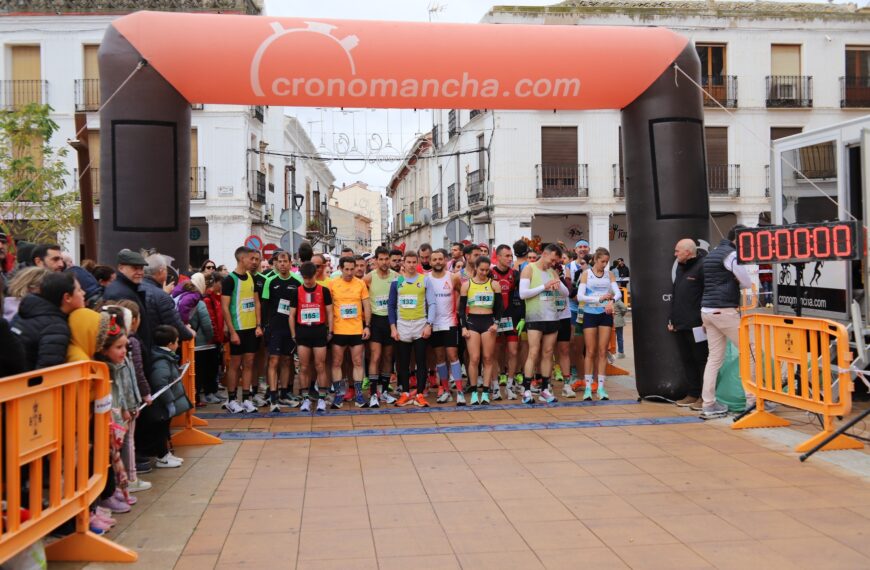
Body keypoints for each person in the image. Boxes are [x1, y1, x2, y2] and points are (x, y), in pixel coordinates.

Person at [699, 226, 754, 419]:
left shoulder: (713, 254)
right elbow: (747, 282)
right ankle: (752, 400)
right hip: (724, 310)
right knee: (749, 351)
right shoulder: (732, 255)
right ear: (739, 239)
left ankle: (709, 403)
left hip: (707, 310)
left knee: (714, 358)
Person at [519, 243, 565, 404]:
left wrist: (558, 284)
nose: (553, 263)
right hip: (535, 316)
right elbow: (523, 294)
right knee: (533, 352)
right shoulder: (529, 268)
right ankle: (526, 389)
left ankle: (545, 388)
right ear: (546, 254)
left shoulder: (552, 271)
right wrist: (544, 286)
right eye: (552, 260)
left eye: (556, 261)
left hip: (552, 316)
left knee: (548, 352)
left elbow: (565, 292)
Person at [221, 246, 264, 413]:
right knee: (235, 364)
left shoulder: (251, 278)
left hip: (251, 328)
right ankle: (232, 399)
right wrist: (232, 331)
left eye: (256, 259)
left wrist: (258, 325)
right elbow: (225, 308)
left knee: (249, 363)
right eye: (251, 259)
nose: (254, 262)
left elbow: (256, 302)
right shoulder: (229, 280)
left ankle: (246, 398)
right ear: (242, 259)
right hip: (237, 329)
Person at [12, 272, 84, 370]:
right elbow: (48, 374)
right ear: (67, 297)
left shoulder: (26, 312)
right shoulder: (56, 327)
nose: (84, 293)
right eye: (79, 290)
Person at [142, 325, 190, 468]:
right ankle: (162, 456)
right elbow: (160, 382)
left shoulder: (162, 356)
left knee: (164, 429)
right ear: (170, 344)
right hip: (161, 404)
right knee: (161, 430)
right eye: (177, 341)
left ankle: (166, 454)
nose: (178, 344)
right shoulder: (162, 360)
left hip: (162, 403)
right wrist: (169, 401)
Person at [289, 261, 334, 414]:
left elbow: (329, 313)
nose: (307, 281)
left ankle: (321, 398)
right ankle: (305, 399)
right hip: (303, 332)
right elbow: (292, 315)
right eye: (304, 278)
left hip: (319, 331)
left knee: (320, 366)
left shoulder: (324, 291)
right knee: (304, 367)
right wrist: (293, 334)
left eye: (309, 277)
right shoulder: (296, 291)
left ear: (315, 275)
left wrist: (331, 332)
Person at [578, 247, 622, 401]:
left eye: (606, 262)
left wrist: (611, 301)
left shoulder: (609, 274)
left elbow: (618, 293)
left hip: (605, 314)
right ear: (595, 260)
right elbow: (580, 296)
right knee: (590, 351)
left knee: (603, 351)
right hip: (590, 313)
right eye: (602, 261)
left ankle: (601, 388)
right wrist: (599, 299)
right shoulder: (586, 274)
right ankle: (588, 388)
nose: (604, 264)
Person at [261, 251, 302, 411]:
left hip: (290, 328)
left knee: (287, 361)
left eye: (286, 261)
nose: (283, 264)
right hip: (274, 328)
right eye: (280, 261)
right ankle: (273, 396)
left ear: (291, 263)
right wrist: (263, 326)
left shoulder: (297, 282)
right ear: (276, 264)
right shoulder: (269, 281)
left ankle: (284, 393)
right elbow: (264, 306)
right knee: (273, 361)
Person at [669, 238, 708, 409]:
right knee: (687, 360)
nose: (675, 254)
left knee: (702, 360)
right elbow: (676, 294)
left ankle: (703, 396)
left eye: (678, 251)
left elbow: (707, 294)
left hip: (697, 325)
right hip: (680, 324)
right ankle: (692, 393)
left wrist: (704, 320)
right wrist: (672, 319)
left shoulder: (702, 266)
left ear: (688, 251)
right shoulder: (679, 268)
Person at [389, 250, 431, 407]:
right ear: (403, 263)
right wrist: (393, 328)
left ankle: (420, 394)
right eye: (409, 262)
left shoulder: (425, 280)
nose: (412, 265)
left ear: (418, 263)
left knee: (421, 361)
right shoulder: (397, 281)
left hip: (420, 323)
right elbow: (391, 306)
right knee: (403, 363)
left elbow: (431, 303)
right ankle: (405, 393)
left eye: (414, 262)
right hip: (403, 325)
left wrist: (429, 324)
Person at [329, 256, 371, 409]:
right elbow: (329, 308)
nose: (349, 272)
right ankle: (339, 395)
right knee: (337, 363)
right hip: (339, 330)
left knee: (358, 362)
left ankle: (359, 395)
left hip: (356, 330)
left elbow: (366, 306)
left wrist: (367, 326)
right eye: (346, 269)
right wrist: (330, 329)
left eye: (351, 269)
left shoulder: (360, 284)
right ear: (340, 269)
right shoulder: (332, 284)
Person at [459, 256, 502, 405]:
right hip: (472, 322)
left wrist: (496, 323)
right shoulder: (467, 285)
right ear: (475, 268)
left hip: (488, 322)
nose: (484, 272)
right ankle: (474, 391)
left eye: (486, 269)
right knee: (474, 358)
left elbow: (499, 308)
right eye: (481, 269)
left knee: (488, 358)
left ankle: (485, 391)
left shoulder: (494, 284)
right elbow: (461, 309)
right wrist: (463, 327)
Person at [425, 248, 464, 405]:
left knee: (452, 355)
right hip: (434, 324)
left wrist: (459, 311)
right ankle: (446, 390)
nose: (438, 262)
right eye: (434, 260)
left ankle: (460, 391)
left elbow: (463, 293)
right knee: (439, 358)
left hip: (450, 322)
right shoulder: (426, 279)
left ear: (445, 260)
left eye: (440, 259)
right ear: (430, 262)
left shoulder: (453, 277)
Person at [363, 246, 399, 407]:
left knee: (387, 357)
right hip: (376, 321)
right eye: (381, 259)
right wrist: (366, 323)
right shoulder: (368, 278)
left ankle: (384, 391)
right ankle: (372, 393)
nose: (384, 262)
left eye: (387, 259)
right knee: (375, 356)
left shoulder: (397, 277)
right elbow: (361, 300)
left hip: (391, 321)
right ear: (375, 260)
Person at [492, 244, 523, 400]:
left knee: (513, 351)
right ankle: (495, 386)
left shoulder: (515, 274)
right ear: (498, 257)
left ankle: (510, 386)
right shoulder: (490, 273)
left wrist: (522, 317)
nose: (510, 259)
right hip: (495, 319)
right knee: (494, 352)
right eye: (507, 256)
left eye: (511, 256)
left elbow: (521, 297)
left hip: (511, 318)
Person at [200, 273, 226, 404]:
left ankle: (214, 391)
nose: (222, 286)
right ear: (214, 282)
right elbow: (211, 321)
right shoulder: (207, 299)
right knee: (209, 367)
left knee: (215, 366)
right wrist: (216, 337)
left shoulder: (215, 298)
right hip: (210, 341)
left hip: (216, 339)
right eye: (220, 283)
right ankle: (208, 392)